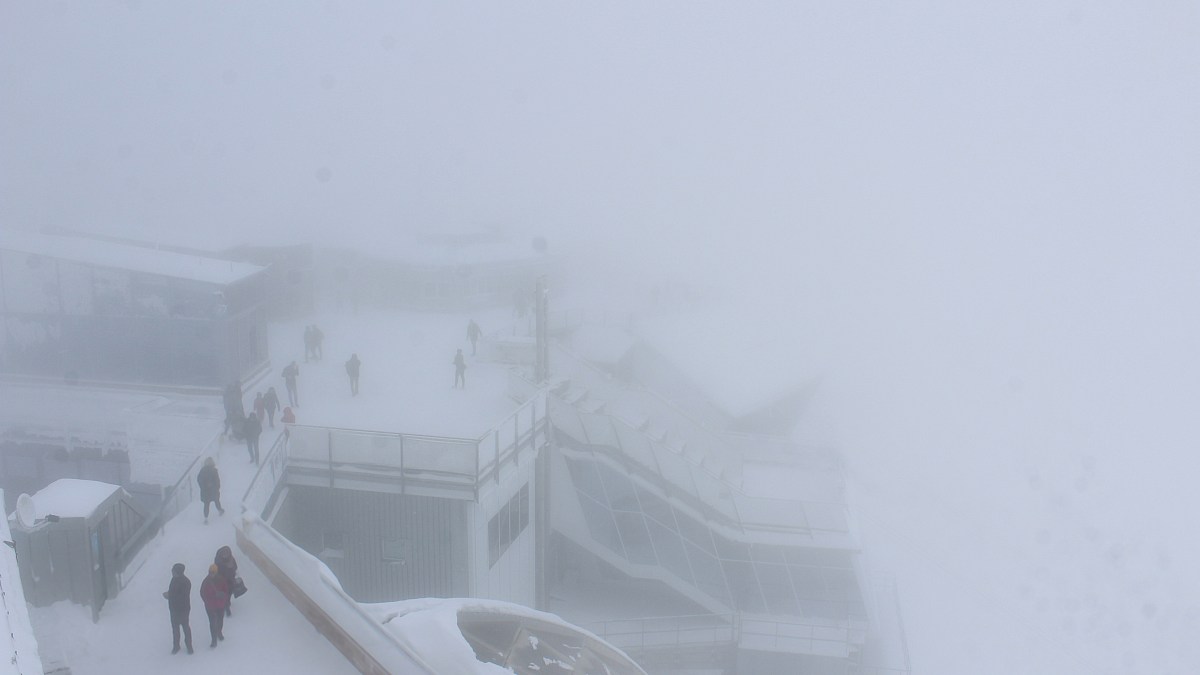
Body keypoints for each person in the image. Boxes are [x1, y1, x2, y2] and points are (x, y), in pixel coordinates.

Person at [163, 563, 193, 655]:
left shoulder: (185, 582)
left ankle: (189, 646)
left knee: (185, 628)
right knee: (176, 628)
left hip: (182, 609)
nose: (172, 572)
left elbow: (182, 596)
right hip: (174, 609)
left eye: (173, 570)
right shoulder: (174, 580)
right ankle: (176, 645)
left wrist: (169, 596)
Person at [199, 564, 228, 648]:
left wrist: (222, 597)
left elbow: (226, 591)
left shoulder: (220, 580)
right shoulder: (206, 581)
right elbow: (202, 593)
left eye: (212, 572)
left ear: (216, 572)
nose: (211, 574)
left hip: (218, 605)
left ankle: (219, 632)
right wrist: (208, 601)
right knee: (212, 623)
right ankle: (214, 639)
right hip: (211, 605)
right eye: (210, 572)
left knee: (219, 620)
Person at [197, 457, 224, 524]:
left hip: (205, 491)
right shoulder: (214, 470)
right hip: (213, 491)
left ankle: (206, 518)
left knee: (206, 504)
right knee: (217, 501)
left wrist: (202, 487)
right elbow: (217, 481)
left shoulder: (202, 470)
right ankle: (220, 510)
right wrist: (217, 487)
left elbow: (199, 480)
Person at [214, 546, 238, 617]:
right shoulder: (218, 562)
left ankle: (227, 602)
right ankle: (227, 607)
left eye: (227, 553)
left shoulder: (231, 559)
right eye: (224, 554)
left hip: (231, 580)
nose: (225, 555)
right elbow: (216, 571)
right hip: (222, 582)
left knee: (229, 593)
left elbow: (235, 567)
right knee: (224, 595)